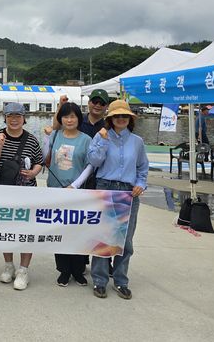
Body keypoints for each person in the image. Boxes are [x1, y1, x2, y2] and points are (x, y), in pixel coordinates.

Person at [79, 99, 149, 300]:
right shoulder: (102, 136)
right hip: (105, 188)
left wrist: (140, 184)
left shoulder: (137, 142)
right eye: (117, 116)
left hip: (129, 191)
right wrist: (102, 140)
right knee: (103, 237)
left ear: (130, 119)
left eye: (124, 116)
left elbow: (142, 168)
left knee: (125, 240)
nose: (121, 119)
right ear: (110, 118)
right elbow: (93, 162)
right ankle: (100, 280)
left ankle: (120, 280)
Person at [0, 102, 43, 290]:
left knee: (27, 231)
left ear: (24, 119)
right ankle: (8, 265)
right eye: (10, 116)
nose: (14, 120)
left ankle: (23, 270)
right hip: (3, 190)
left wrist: (34, 173)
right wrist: (0, 145)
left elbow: (39, 162)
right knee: (5, 229)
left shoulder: (32, 140)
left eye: (18, 116)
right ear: (4, 117)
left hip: (26, 191)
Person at [45, 102, 91, 287]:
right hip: (55, 190)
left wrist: (75, 185)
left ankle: (78, 271)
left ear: (79, 118)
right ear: (60, 119)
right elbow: (45, 156)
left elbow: (90, 165)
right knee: (59, 231)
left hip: (77, 192)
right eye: (65, 116)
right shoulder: (54, 135)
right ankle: (64, 270)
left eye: (73, 116)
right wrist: (46, 138)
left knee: (78, 231)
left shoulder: (87, 139)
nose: (69, 120)